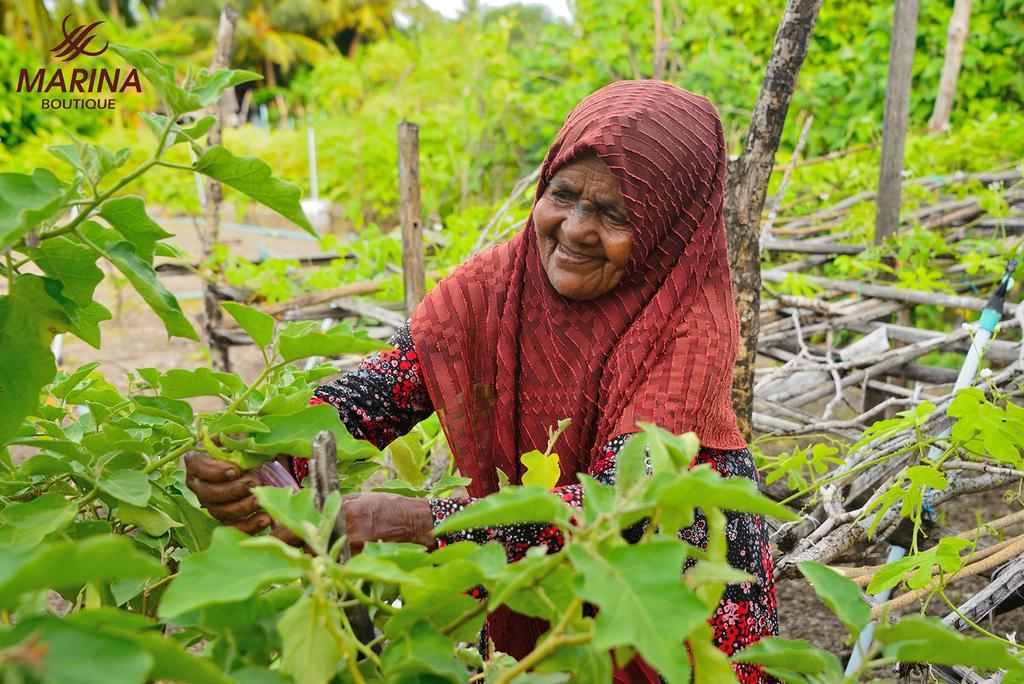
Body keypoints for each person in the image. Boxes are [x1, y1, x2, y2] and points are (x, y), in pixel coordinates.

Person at [186, 80, 777, 683]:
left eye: (614, 214)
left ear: (664, 229)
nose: (574, 228)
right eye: (563, 194)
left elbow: (620, 510)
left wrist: (413, 521)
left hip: (681, 604)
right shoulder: (494, 285)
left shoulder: (689, 324)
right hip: (539, 596)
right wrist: (252, 456)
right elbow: (375, 395)